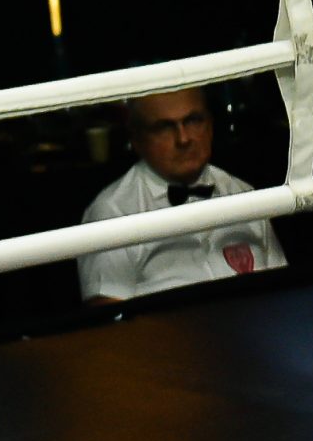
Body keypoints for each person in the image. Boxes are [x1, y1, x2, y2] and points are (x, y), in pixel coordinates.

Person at [76, 88, 286, 303]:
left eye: (193, 121)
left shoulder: (244, 195)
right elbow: (109, 316)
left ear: (210, 125)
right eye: (164, 127)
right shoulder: (112, 213)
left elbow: (283, 293)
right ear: (137, 139)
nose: (183, 139)